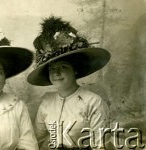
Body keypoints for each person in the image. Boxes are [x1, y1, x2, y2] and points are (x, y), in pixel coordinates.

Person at [27, 16, 111, 149]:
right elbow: (35, 140)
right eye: (52, 69)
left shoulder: (93, 102)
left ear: (75, 69)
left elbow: (101, 146)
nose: (56, 73)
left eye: (63, 67)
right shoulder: (47, 103)